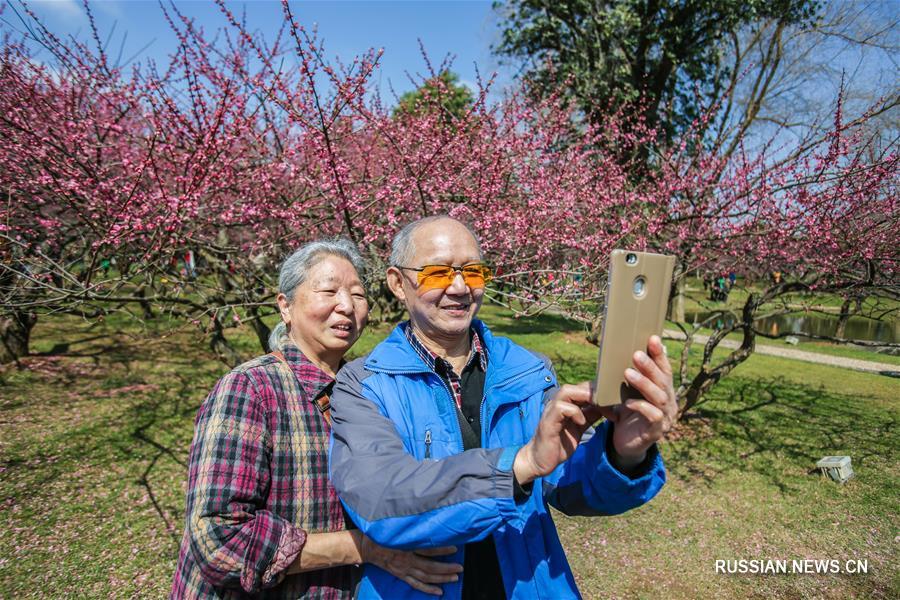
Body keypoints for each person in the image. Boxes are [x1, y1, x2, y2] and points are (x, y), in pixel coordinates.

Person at [330, 216, 677, 599]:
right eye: (438, 272)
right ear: (398, 283)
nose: (460, 287)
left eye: (473, 272)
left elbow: (570, 487)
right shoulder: (364, 385)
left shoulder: (528, 370)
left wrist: (622, 453)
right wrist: (521, 464)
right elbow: (380, 501)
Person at [170, 239, 461, 599]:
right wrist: (366, 548)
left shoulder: (368, 389)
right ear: (285, 307)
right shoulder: (251, 389)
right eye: (328, 291)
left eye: (357, 295)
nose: (346, 306)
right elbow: (218, 538)